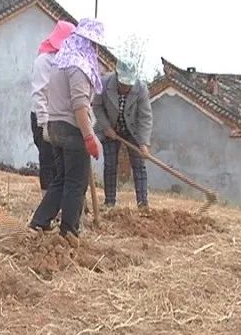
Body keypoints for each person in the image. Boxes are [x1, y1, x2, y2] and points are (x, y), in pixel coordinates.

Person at [28, 18, 105, 245]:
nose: (96, 50)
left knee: (61, 179)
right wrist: (89, 136)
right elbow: (80, 106)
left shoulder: (61, 61)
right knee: (75, 182)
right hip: (72, 128)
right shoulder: (78, 66)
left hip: (55, 126)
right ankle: (69, 231)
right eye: (94, 45)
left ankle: (40, 221)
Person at [93, 59, 153, 210]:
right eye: (123, 83)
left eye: (129, 84)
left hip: (132, 130)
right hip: (110, 128)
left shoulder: (141, 89)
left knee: (139, 165)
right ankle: (109, 202)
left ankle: (143, 204)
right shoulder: (104, 83)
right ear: (117, 76)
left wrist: (143, 143)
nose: (126, 87)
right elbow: (97, 106)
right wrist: (106, 127)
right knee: (110, 165)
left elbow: (145, 117)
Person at [30, 20, 76, 195]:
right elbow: (39, 94)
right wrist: (43, 124)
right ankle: (46, 200)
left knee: (63, 162)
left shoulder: (68, 63)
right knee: (48, 158)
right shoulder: (43, 61)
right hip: (44, 117)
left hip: (61, 118)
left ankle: (62, 200)